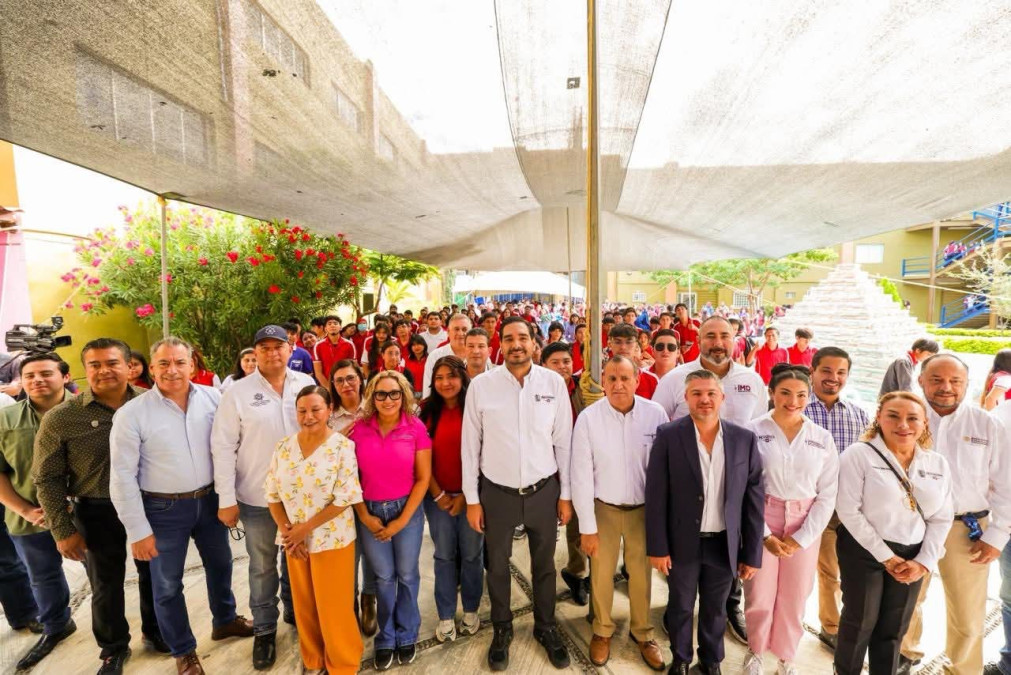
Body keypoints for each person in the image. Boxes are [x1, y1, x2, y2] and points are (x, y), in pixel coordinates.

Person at [110, 337, 253, 674]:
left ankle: (225, 620)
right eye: (163, 363)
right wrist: (137, 530)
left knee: (222, 565)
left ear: (193, 364)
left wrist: (230, 498)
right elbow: (121, 477)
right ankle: (183, 650)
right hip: (162, 511)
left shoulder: (215, 399)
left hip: (210, 501)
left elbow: (232, 449)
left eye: (179, 362)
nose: (172, 370)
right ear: (152, 368)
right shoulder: (133, 414)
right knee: (166, 584)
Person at [32, 338, 165, 674]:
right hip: (96, 510)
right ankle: (113, 648)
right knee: (105, 584)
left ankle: (157, 632)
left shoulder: (153, 403)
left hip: (148, 505)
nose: (104, 370)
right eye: (95, 365)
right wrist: (63, 530)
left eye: (112, 363)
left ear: (129, 366)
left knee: (156, 575)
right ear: (84, 370)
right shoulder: (62, 418)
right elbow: (46, 479)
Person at [462, 316, 574, 671]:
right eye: (509, 338)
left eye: (523, 337)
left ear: (533, 343)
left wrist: (566, 494)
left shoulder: (553, 383)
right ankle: (502, 627)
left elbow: (564, 443)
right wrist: (472, 499)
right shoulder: (482, 386)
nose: (516, 344)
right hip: (497, 493)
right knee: (497, 565)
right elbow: (470, 447)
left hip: (544, 490)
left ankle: (545, 626)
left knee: (544, 565)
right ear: (501, 344)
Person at [652, 316, 766, 643]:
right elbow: (658, 429)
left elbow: (760, 431)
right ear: (698, 340)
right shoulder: (675, 379)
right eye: (710, 336)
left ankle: (730, 609)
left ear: (736, 340)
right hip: (688, 492)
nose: (718, 342)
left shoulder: (752, 380)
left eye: (724, 336)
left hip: (734, 491)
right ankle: (679, 619)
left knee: (729, 565)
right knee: (682, 581)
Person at [897, 355, 1011, 675]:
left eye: (955, 381)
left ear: (967, 384)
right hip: (912, 527)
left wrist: (997, 536)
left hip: (968, 530)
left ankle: (962, 670)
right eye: (936, 380)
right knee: (905, 603)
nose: (946, 387)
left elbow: (1005, 485)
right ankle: (903, 658)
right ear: (921, 380)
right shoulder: (903, 419)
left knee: (968, 614)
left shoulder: (987, 424)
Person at [211, 325, 315, 669]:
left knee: (297, 560)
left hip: (302, 498)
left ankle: (296, 614)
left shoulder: (306, 385)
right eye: (264, 348)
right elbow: (223, 446)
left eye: (278, 346)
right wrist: (226, 497)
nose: (272, 353)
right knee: (262, 568)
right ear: (254, 353)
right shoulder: (237, 392)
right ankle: (265, 630)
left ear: (291, 349)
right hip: (256, 497)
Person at [834, 392, 953, 675]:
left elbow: (942, 516)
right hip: (863, 550)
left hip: (914, 554)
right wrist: (887, 557)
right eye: (893, 416)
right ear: (878, 418)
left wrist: (924, 562)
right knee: (859, 621)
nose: (903, 424)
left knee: (894, 627)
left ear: (924, 423)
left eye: (913, 418)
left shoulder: (937, 464)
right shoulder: (858, 455)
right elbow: (848, 511)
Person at [571, 356, 668, 671]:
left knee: (641, 574)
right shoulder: (589, 418)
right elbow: (581, 475)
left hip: (644, 509)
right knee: (600, 573)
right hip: (604, 508)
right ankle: (602, 630)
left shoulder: (655, 415)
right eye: (611, 379)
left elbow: (666, 470)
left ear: (637, 380)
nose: (618, 385)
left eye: (625, 378)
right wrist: (587, 526)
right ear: (603, 381)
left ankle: (643, 633)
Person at [742, 368, 839, 675]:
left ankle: (785, 656)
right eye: (785, 392)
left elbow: (828, 493)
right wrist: (765, 533)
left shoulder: (821, 437)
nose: (792, 401)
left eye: (800, 394)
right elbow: (744, 485)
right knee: (759, 592)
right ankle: (755, 651)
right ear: (771, 392)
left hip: (804, 520)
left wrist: (803, 537)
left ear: (809, 397)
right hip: (763, 516)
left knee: (795, 595)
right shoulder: (752, 430)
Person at [266, 385, 364, 675]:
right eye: (302, 411)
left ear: (329, 410)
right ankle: (313, 659)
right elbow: (272, 494)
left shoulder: (343, 447)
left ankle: (343, 663)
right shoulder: (283, 447)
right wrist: (289, 533)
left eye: (315, 409)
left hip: (332, 539)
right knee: (305, 604)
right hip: (294, 541)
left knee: (333, 605)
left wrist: (303, 530)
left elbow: (346, 497)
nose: (309, 416)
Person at [348, 371, 431, 671]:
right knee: (383, 577)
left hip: (405, 509)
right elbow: (350, 479)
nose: (387, 400)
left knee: (407, 575)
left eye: (394, 393)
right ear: (372, 397)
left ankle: (407, 632)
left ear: (404, 395)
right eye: (380, 394)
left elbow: (423, 480)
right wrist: (364, 515)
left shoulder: (416, 428)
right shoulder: (358, 430)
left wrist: (401, 521)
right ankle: (386, 635)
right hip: (369, 509)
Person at [0, 352, 75, 670]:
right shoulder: (5, 418)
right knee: (42, 577)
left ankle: (111, 637)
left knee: (102, 577)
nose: (37, 380)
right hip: (28, 516)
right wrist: (24, 510)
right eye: (30, 376)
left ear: (65, 377)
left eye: (46, 373)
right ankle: (56, 626)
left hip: (84, 515)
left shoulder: (87, 411)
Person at [803, 347, 869, 651]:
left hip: (852, 507)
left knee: (848, 573)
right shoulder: (799, 409)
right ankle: (829, 626)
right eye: (827, 371)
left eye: (841, 372)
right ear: (813, 371)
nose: (834, 378)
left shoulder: (859, 415)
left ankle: (844, 626)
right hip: (813, 505)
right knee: (823, 571)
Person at [419, 356, 483, 643]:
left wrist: (469, 497)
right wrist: (438, 494)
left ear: (463, 377)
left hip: (472, 499)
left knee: (471, 555)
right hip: (438, 498)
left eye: (452, 376)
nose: (446, 383)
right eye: (440, 377)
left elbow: (485, 455)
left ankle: (471, 609)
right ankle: (446, 614)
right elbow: (420, 460)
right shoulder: (426, 412)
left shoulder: (476, 408)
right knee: (444, 556)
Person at [328, 359, 378, 637]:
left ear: (360, 379)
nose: (346, 384)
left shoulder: (373, 409)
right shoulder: (328, 415)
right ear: (333, 385)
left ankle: (369, 599)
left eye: (350, 378)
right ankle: (349, 601)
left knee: (371, 551)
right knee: (348, 552)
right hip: (340, 496)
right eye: (339, 380)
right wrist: (336, 439)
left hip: (372, 489)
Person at [540, 341, 589, 605]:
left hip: (579, 468)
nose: (562, 367)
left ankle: (577, 573)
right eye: (555, 362)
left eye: (566, 361)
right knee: (546, 529)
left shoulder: (583, 389)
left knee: (579, 526)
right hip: (547, 471)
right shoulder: (535, 392)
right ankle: (543, 578)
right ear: (544, 365)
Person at [422, 314, 473, 399]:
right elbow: (428, 388)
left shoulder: (478, 355)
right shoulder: (435, 356)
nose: (460, 333)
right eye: (456, 329)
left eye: (464, 329)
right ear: (448, 332)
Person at [607, 323, 659, 399]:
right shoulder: (600, 378)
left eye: (629, 342)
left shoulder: (651, 380)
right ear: (610, 344)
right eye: (618, 342)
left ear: (636, 345)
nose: (623, 347)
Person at [313, 315, 357, 393]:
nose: (332, 325)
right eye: (329, 324)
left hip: (345, 387)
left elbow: (354, 369)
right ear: (325, 328)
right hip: (325, 388)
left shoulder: (349, 344)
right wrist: (328, 389)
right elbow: (318, 373)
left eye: (335, 323)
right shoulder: (318, 346)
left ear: (340, 327)